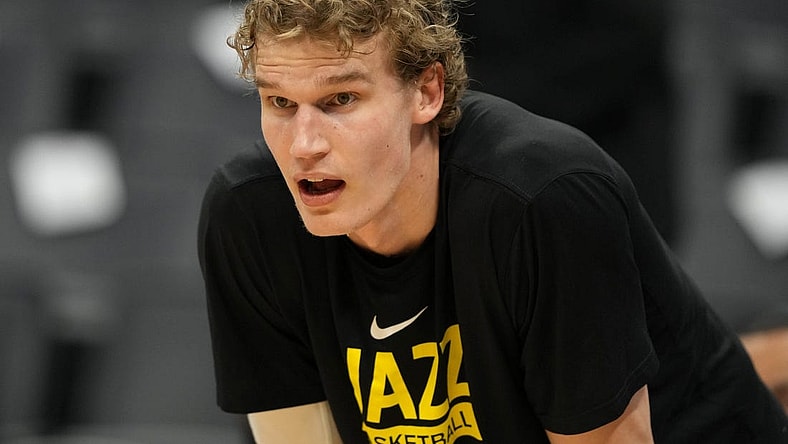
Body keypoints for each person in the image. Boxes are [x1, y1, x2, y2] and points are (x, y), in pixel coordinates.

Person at [197, 0, 788, 442]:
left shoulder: (543, 197)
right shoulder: (249, 216)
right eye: (280, 102)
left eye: (341, 100)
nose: (304, 145)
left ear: (427, 93)